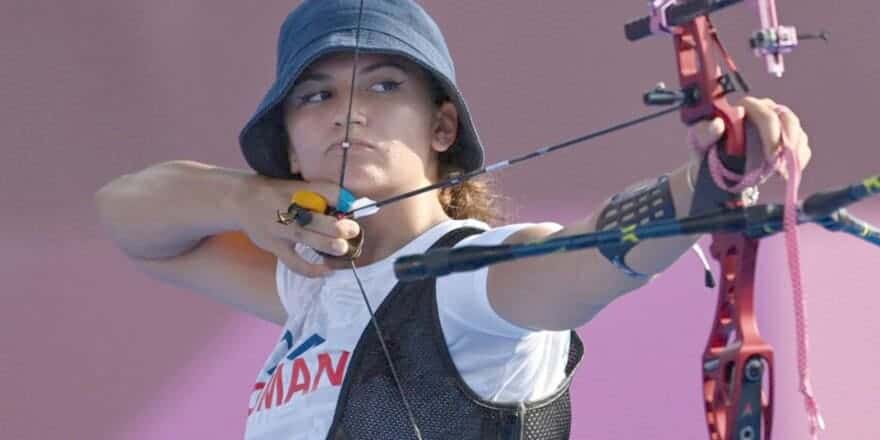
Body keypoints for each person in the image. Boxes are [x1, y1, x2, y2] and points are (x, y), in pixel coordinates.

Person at [93, 1, 812, 439]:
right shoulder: (307, 283)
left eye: (383, 85)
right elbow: (130, 221)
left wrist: (709, 180)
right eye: (316, 95)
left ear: (441, 127)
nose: (348, 112)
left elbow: (588, 257)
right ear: (287, 145)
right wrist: (242, 201)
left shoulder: (472, 280)